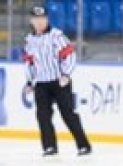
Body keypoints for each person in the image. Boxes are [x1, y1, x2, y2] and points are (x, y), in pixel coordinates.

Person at [22, 6, 92, 156]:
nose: (40, 22)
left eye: (42, 19)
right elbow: (29, 63)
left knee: (68, 114)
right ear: (31, 21)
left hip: (59, 82)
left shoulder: (57, 36)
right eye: (36, 19)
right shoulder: (29, 40)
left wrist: (66, 74)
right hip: (41, 83)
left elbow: (70, 56)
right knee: (43, 116)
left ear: (47, 19)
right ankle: (49, 147)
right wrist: (29, 82)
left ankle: (83, 145)